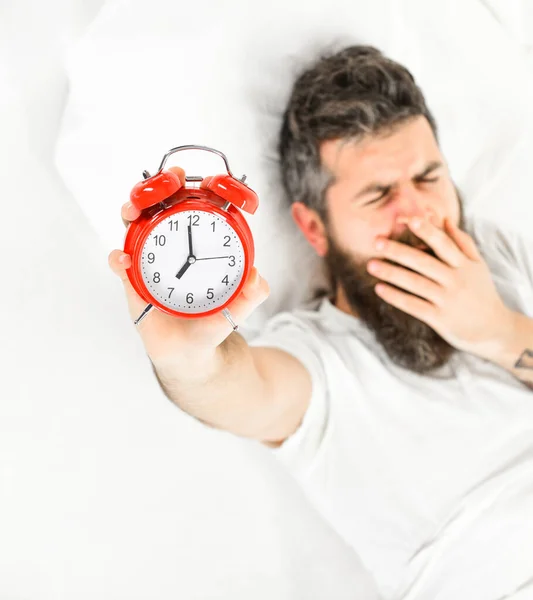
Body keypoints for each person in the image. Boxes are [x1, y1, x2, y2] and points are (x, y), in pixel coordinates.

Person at [109, 46, 533, 599]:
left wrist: (497, 329)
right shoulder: (320, 363)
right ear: (314, 228)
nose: (419, 212)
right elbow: (238, 390)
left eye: (428, 176)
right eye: (378, 194)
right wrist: (187, 359)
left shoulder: (498, 255)